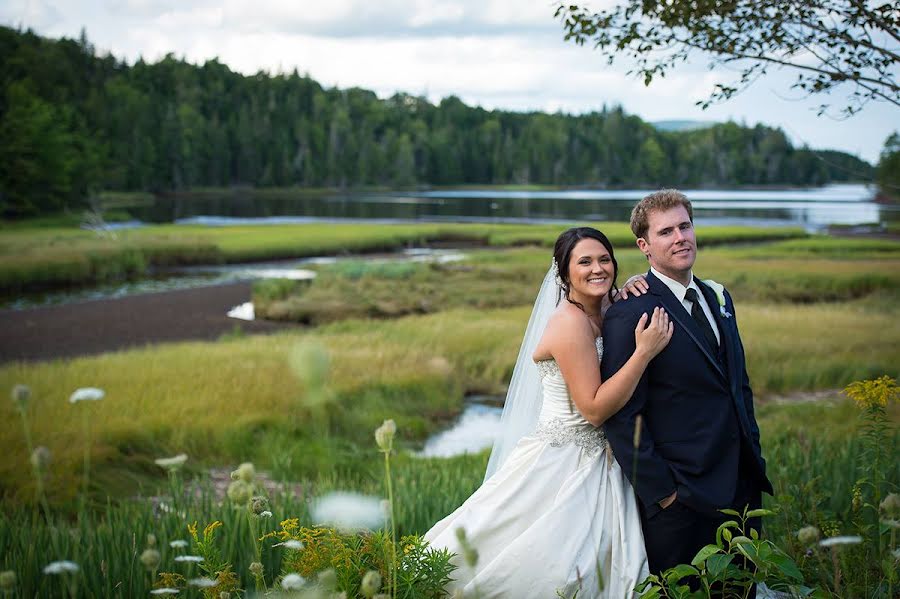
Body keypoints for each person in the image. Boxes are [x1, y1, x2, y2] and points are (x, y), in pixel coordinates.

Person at [424, 227, 672, 598]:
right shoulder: (569, 322)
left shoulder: (605, 306)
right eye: (584, 262)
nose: (597, 269)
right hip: (564, 459)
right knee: (547, 561)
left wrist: (638, 284)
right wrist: (643, 353)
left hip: (605, 459)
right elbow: (592, 409)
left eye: (605, 259)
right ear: (563, 272)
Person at [601, 189, 773, 577]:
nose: (680, 237)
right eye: (666, 232)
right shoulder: (630, 313)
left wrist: (753, 457)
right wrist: (664, 495)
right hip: (682, 502)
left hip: (742, 489)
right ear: (644, 245)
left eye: (685, 226)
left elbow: (738, 387)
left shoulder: (718, 296)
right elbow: (622, 416)